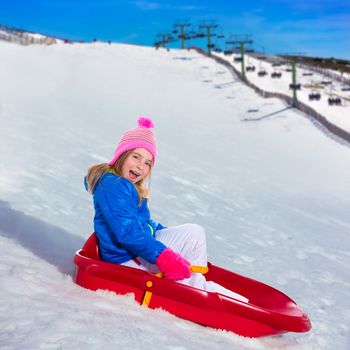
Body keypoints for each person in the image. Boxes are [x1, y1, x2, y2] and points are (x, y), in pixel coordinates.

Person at [85, 117, 248, 302]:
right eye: (136, 156)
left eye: (147, 162)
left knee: (194, 232)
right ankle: (195, 290)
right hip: (125, 259)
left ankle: (191, 279)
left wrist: (162, 233)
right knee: (191, 243)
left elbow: (143, 224)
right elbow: (128, 233)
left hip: (136, 249)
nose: (141, 165)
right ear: (121, 155)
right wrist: (165, 256)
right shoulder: (114, 186)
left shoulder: (127, 186)